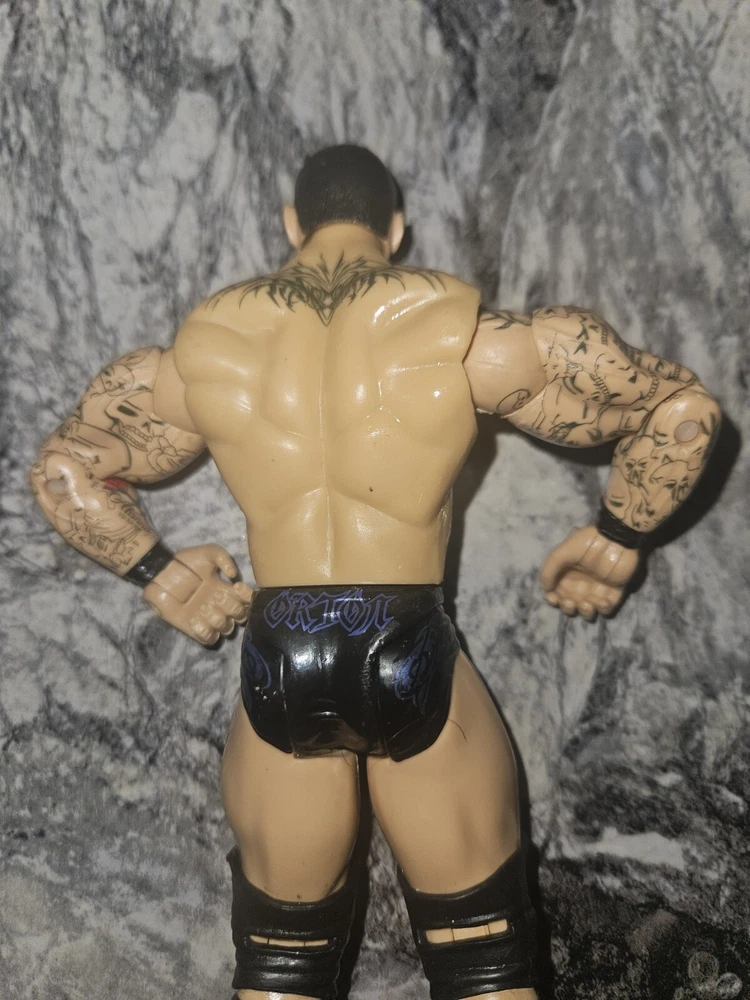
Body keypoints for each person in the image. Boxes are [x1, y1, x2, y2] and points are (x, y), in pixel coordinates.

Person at [30, 145, 721, 1000]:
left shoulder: (204, 350)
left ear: (292, 224)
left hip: (280, 657)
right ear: (395, 228)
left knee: (280, 965)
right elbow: (679, 410)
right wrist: (616, 539)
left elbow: (62, 471)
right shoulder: (467, 335)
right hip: (408, 643)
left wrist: (167, 579)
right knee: (485, 963)